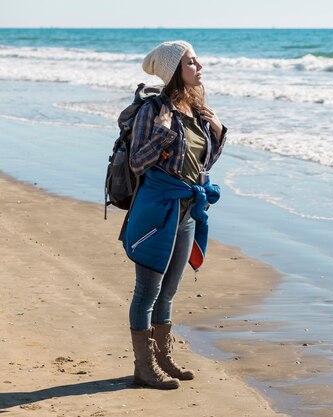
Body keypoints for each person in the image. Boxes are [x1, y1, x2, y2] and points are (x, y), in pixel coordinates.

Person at [123, 40, 227, 390]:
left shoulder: (198, 111)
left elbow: (201, 165)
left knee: (168, 292)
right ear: (174, 72)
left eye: (198, 60)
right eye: (191, 62)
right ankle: (144, 367)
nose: (200, 67)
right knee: (147, 292)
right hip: (157, 210)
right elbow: (138, 162)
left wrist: (218, 132)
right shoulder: (154, 111)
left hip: (186, 212)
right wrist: (164, 133)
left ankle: (164, 358)